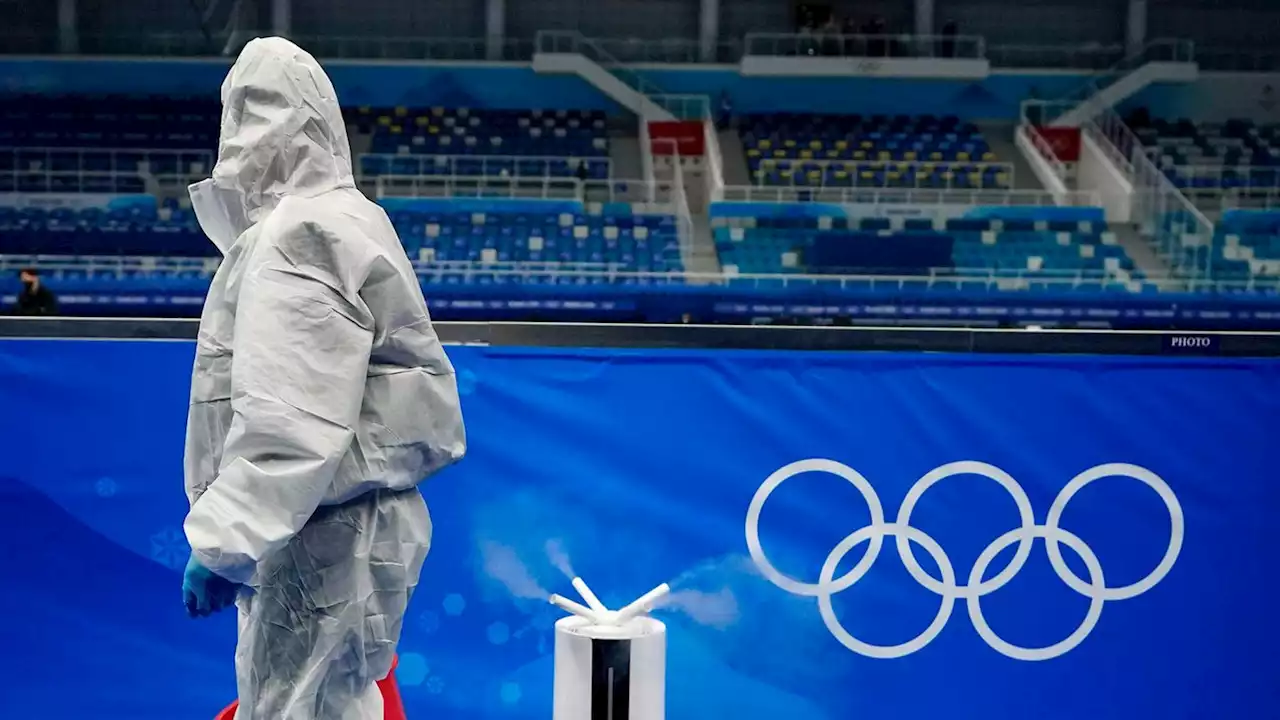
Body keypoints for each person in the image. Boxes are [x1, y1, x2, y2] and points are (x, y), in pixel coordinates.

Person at [180, 37, 466, 720]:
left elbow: (295, 416)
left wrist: (225, 542)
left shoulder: (298, 235)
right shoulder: (352, 217)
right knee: (340, 698)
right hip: (349, 523)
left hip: (319, 534)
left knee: (300, 707)